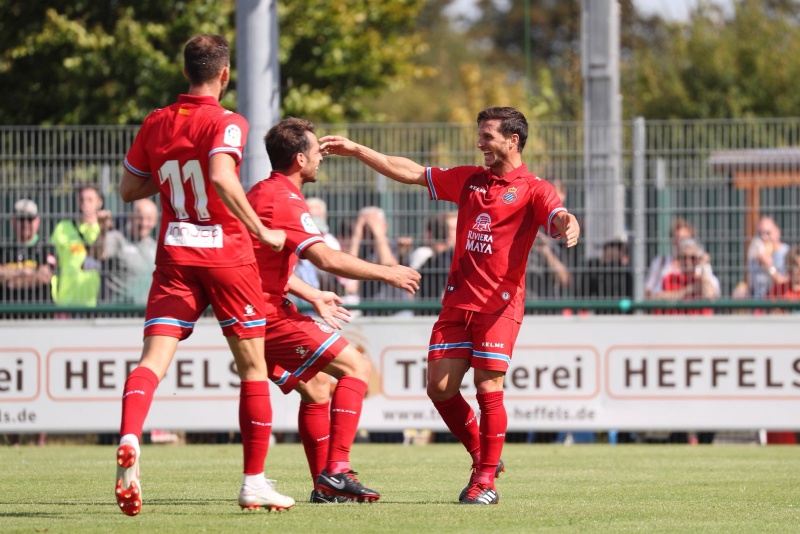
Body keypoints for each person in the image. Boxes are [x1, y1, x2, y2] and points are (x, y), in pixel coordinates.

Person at [320, 106, 580, 505]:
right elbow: (407, 170)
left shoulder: (533, 187)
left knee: (487, 386)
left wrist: (567, 222)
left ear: (513, 140)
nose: (480, 143)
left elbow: (556, 211)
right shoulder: (469, 180)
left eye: (488, 136)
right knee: (440, 388)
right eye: (480, 135)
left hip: (499, 306)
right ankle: (483, 456)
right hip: (457, 303)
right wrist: (358, 150)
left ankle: (485, 481)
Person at [112, 34, 289, 517]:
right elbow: (220, 175)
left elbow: (128, 188)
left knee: (152, 360)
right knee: (253, 370)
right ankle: (253, 482)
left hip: (175, 258)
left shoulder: (156, 121)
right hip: (228, 256)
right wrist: (263, 232)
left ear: (185, 72)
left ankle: (130, 435)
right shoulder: (228, 121)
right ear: (225, 74)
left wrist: (171, 164)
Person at [246, 117, 420, 503]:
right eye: (315, 152)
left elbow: (253, 263)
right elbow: (326, 257)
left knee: (316, 387)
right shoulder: (285, 198)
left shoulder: (261, 192)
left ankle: (325, 488)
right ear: (298, 159)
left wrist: (312, 293)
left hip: (254, 309)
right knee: (357, 367)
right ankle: (337, 471)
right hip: (266, 313)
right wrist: (386, 272)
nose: (320, 159)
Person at [347, 206, 415, 316]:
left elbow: (387, 264)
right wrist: (357, 233)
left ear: (385, 226)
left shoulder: (397, 246)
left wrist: (378, 233)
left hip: (398, 309)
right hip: (371, 311)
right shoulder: (362, 249)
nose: (370, 230)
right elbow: (347, 265)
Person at [49, 184, 105, 306]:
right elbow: (52, 262)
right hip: (66, 302)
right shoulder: (63, 228)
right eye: (81, 199)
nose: (84, 203)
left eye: (90, 199)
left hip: (95, 304)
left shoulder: (104, 231)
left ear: (99, 202)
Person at [97, 198, 158, 305]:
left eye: (148, 218)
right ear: (130, 217)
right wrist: (102, 231)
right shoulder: (117, 239)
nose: (144, 223)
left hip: (144, 314)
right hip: (116, 314)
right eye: (139, 218)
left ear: (155, 221)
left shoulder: (155, 246)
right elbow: (99, 253)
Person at [1, 199, 57, 308]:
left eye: (30, 219)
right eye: (21, 219)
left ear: (37, 220)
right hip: (7, 317)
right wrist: (28, 272)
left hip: (40, 315)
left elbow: (44, 277)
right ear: (13, 220)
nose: (25, 223)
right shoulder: (3, 249)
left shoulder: (47, 248)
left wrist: (11, 281)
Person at [651, 238, 721, 314]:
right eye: (684, 258)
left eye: (692, 258)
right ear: (678, 259)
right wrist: (689, 289)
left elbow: (710, 296)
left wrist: (703, 266)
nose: (688, 262)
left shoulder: (707, 278)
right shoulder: (670, 277)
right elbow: (656, 296)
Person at [645, 218, 700, 298]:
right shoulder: (661, 262)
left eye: (685, 239)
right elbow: (648, 292)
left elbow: (712, 293)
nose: (682, 243)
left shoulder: (700, 263)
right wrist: (686, 291)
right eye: (677, 239)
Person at [415, 211, 458, 311]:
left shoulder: (464, 258)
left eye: (455, 229)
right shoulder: (424, 254)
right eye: (448, 229)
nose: (450, 233)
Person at [748, 215, 789, 299]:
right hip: (758, 306)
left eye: (768, 233)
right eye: (761, 234)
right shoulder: (755, 256)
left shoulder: (787, 254)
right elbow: (751, 286)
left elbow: (786, 284)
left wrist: (769, 267)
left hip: (777, 305)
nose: (764, 237)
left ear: (777, 232)